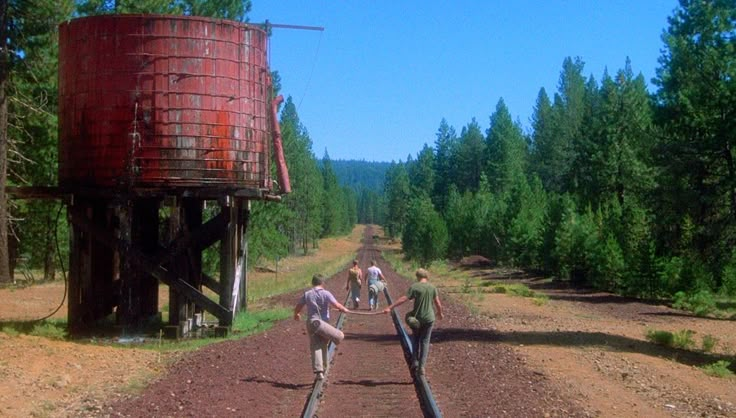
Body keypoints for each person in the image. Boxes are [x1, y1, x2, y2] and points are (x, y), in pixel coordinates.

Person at [383, 268, 443, 376]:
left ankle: (415, 361)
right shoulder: (432, 287)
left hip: (417, 319)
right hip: (429, 318)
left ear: (417, 276)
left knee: (415, 339)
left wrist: (390, 307)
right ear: (427, 276)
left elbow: (403, 299)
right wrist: (440, 313)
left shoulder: (415, 287)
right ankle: (422, 366)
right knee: (425, 342)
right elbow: (437, 303)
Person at [294, 274, 350, 380]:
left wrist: (296, 314)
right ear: (322, 283)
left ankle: (319, 371)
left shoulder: (307, 294)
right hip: (322, 324)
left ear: (312, 283)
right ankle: (324, 368)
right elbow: (337, 305)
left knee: (317, 346)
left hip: (311, 323)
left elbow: (298, 306)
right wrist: (344, 309)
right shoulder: (326, 293)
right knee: (338, 336)